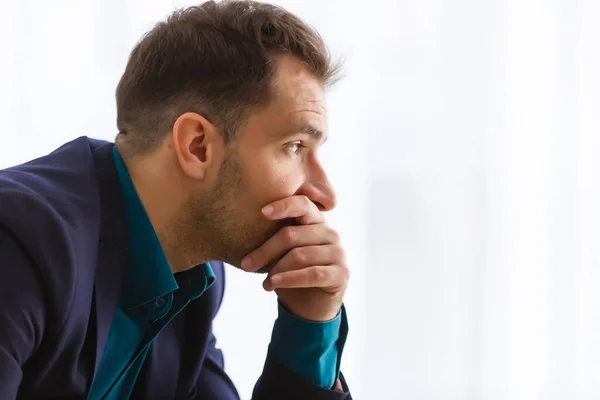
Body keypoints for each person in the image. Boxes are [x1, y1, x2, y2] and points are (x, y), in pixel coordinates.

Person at [0, 0, 352, 399]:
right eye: (293, 146)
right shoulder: (19, 241)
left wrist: (309, 326)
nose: (324, 195)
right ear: (198, 145)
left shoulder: (194, 277)